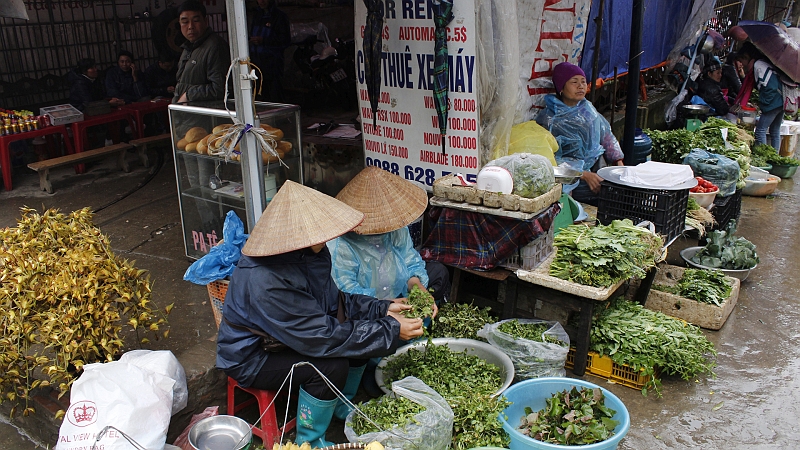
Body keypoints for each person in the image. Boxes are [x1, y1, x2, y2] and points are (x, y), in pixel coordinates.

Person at [217, 180, 425, 448]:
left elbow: (335, 303)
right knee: (330, 366)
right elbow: (320, 338)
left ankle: (340, 407)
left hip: (290, 338)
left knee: (360, 335)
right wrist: (391, 329)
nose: (329, 237)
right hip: (252, 356)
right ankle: (309, 440)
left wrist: (382, 308)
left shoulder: (311, 253)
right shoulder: (265, 279)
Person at [535, 62, 624, 206]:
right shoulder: (549, 120)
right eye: (574, 82)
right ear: (561, 88)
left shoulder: (588, 109)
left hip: (596, 169)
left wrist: (618, 161)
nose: (580, 86)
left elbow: (606, 135)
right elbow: (551, 159)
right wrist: (583, 174)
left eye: (583, 81)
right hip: (570, 180)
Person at [173, 0, 231, 106]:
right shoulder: (189, 47)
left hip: (206, 117)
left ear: (205, 21)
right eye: (185, 22)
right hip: (188, 116)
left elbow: (219, 88)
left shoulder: (215, 46)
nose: (190, 26)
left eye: (196, 20)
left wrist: (189, 95)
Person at [736, 42, 784, 150]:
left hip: (773, 101)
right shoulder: (763, 63)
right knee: (774, 131)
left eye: (742, 60)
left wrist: (765, 105)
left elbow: (768, 87)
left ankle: (763, 157)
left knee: (760, 130)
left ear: (746, 57)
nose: (742, 64)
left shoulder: (758, 66)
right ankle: (774, 158)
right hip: (781, 100)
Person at [249, 0, 291, 102]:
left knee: (275, 95)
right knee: (261, 95)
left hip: (273, 64)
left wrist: (264, 41)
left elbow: (285, 40)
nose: (261, 1)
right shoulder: (256, 15)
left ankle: (279, 117)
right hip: (257, 63)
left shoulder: (279, 16)